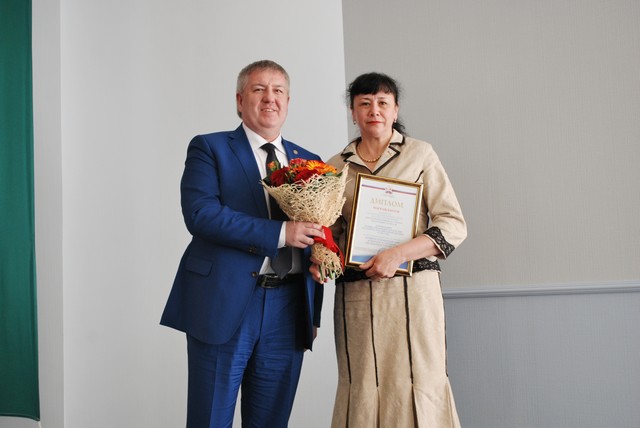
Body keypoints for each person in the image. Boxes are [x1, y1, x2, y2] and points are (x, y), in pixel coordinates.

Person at [161, 60, 325, 428]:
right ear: (239, 100)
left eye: (278, 91)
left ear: (288, 101)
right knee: (210, 420)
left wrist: (312, 311)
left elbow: (316, 233)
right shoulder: (210, 148)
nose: (270, 98)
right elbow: (201, 214)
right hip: (224, 303)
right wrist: (281, 234)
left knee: (271, 422)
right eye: (258, 89)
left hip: (289, 309)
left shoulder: (310, 162)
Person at [311, 72, 467, 427]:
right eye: (364, 103)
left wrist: (397, 254)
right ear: (353, 111)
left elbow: (453, 224)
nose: (374, 111)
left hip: (414, 293)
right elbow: (331, 234)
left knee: (420, 379)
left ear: (395, 110)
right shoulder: (334, 166)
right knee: (363, 382)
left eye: (383, 102)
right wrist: (322, 257)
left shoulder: (420, 154)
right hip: (357, 296)